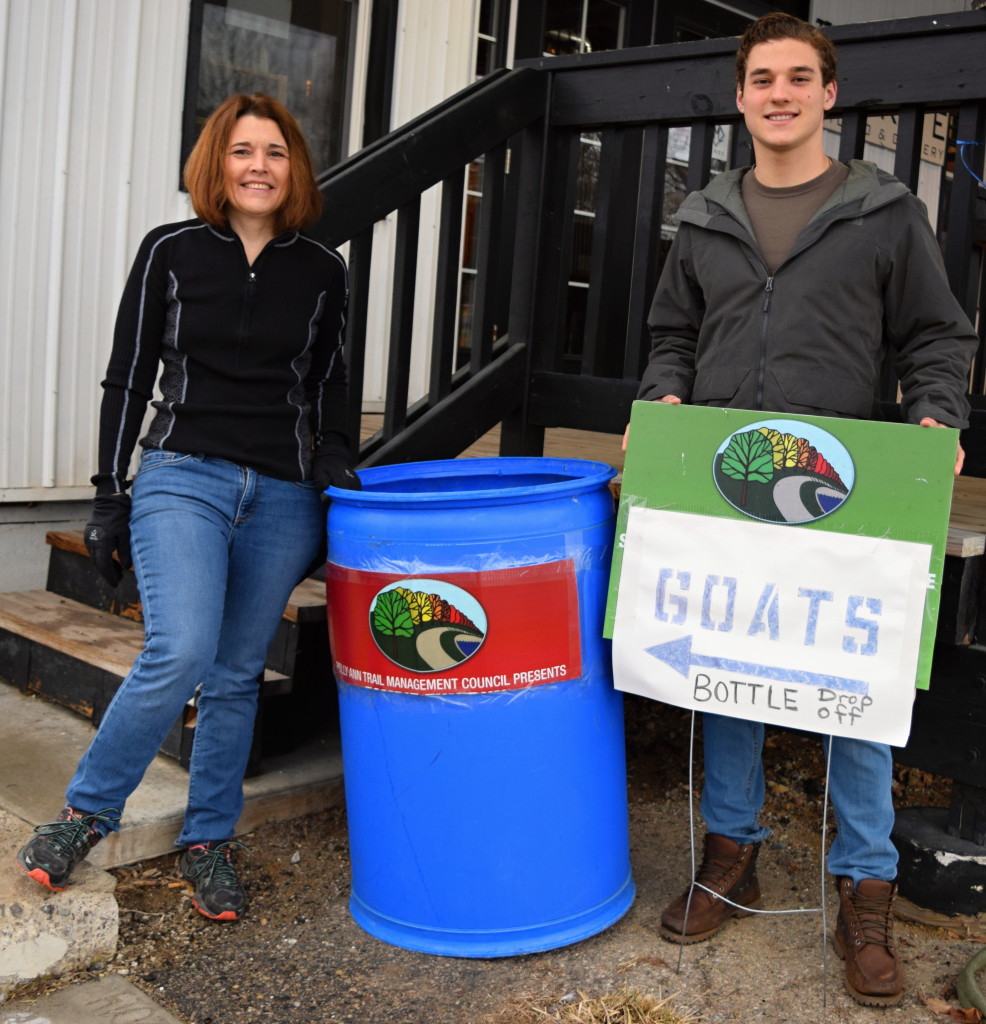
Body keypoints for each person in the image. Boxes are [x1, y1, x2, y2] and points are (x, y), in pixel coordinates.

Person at [631, 12, 978, 1008]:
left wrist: (933, 416)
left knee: (853, 684)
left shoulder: (880, 212)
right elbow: (669, 333)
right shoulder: (700, 217)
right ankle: (731, 850)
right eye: (759, 78)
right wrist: (662, 396)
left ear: (828, 94)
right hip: (722, 481)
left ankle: (861, 880)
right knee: (728, 666)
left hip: (843, 484)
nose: (777, 93)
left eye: (796, 77)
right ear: (739, 98)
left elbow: (933, 337)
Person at [16, 93, 359, 922]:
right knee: (181, 648)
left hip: (282, 492)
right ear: (217, 163)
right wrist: (107, 493)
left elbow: (333, 394)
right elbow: (128, 376)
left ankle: (209, 841)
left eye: (275, 153)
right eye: (243, 151)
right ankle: (83, 816)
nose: (259, 167)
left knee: (240, 670)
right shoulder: (169, 252)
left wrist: (332, 489)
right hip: (183, 477)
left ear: (294, 169)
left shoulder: (322, 270)